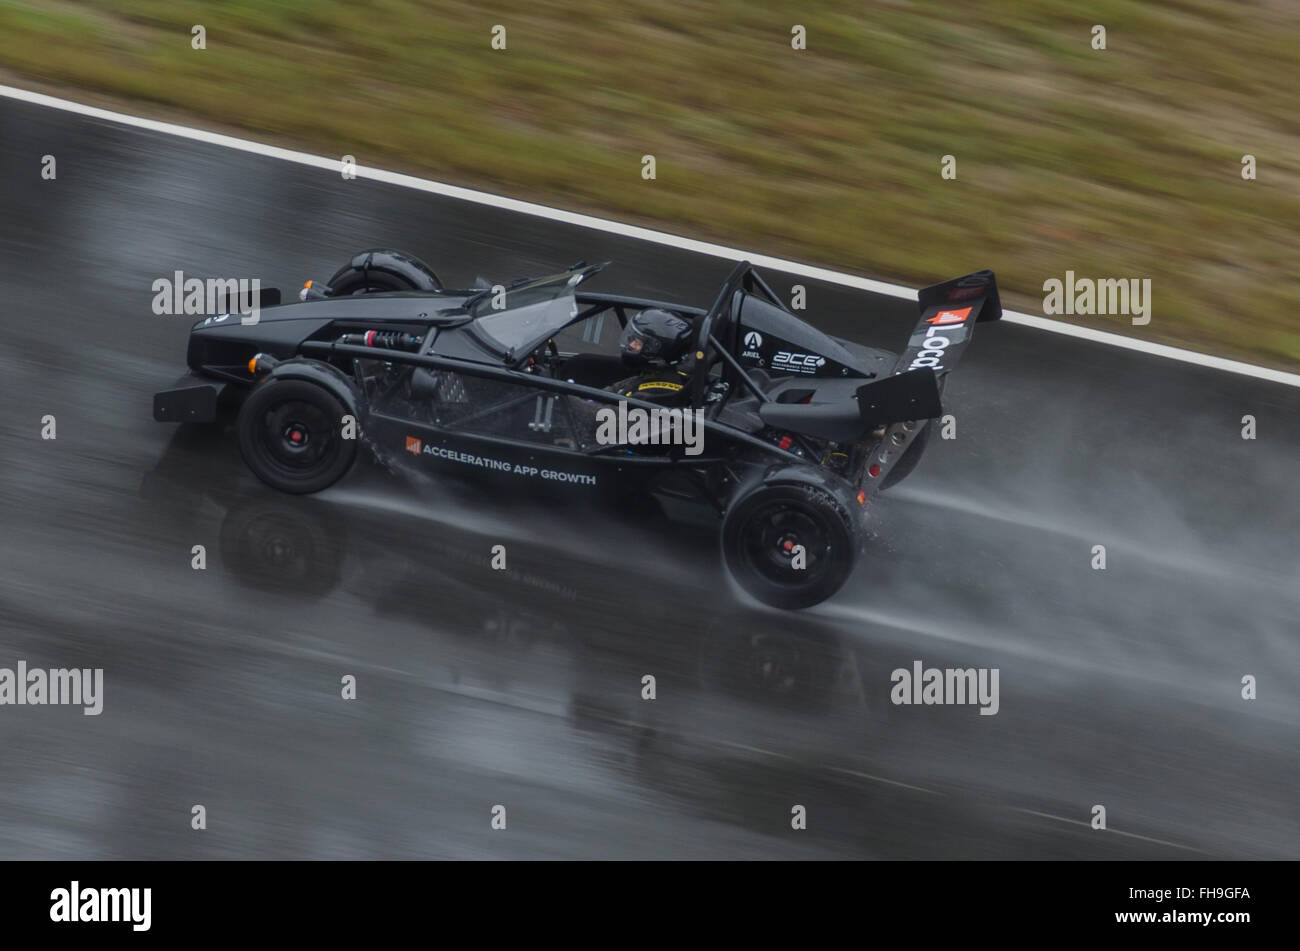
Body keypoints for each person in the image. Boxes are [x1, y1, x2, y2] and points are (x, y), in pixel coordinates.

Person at [606, 308, 695, 405]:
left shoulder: (648, 394)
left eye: (637, 343)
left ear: (655, 350)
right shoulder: (670, 377)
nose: (631, 345)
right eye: (632, 339)